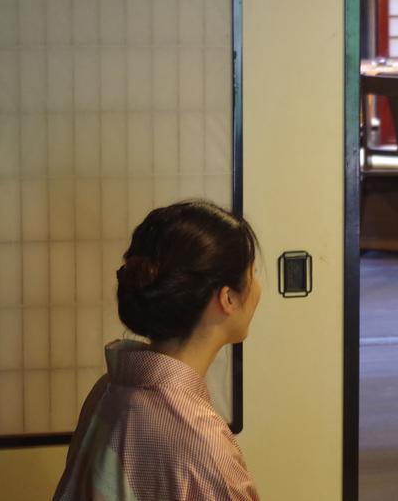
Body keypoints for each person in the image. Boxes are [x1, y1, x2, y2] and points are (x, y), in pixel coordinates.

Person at [54, 200, 262, 501]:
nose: (257, 287)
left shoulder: (108, 391)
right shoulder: (201, 443)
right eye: (252, 273)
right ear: (227, 298)